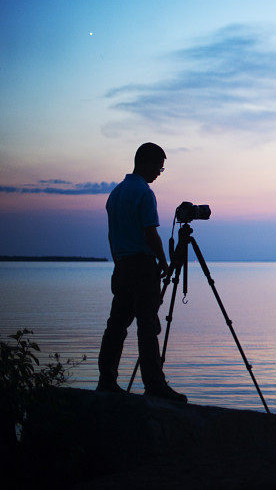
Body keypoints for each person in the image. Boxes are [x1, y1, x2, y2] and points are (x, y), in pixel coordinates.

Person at [96, 142, 187, 403]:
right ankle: (154, 384)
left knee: (116, 325)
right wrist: (164, 261)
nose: (160, 172)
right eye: (159, 166)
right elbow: (150, 233)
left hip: (122, 265)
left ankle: (106, 380)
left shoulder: (116, 193)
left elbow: (113, 236)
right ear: (145, 162)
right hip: (142, 267)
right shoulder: (144, 194)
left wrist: (118, 264)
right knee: (148, 326)